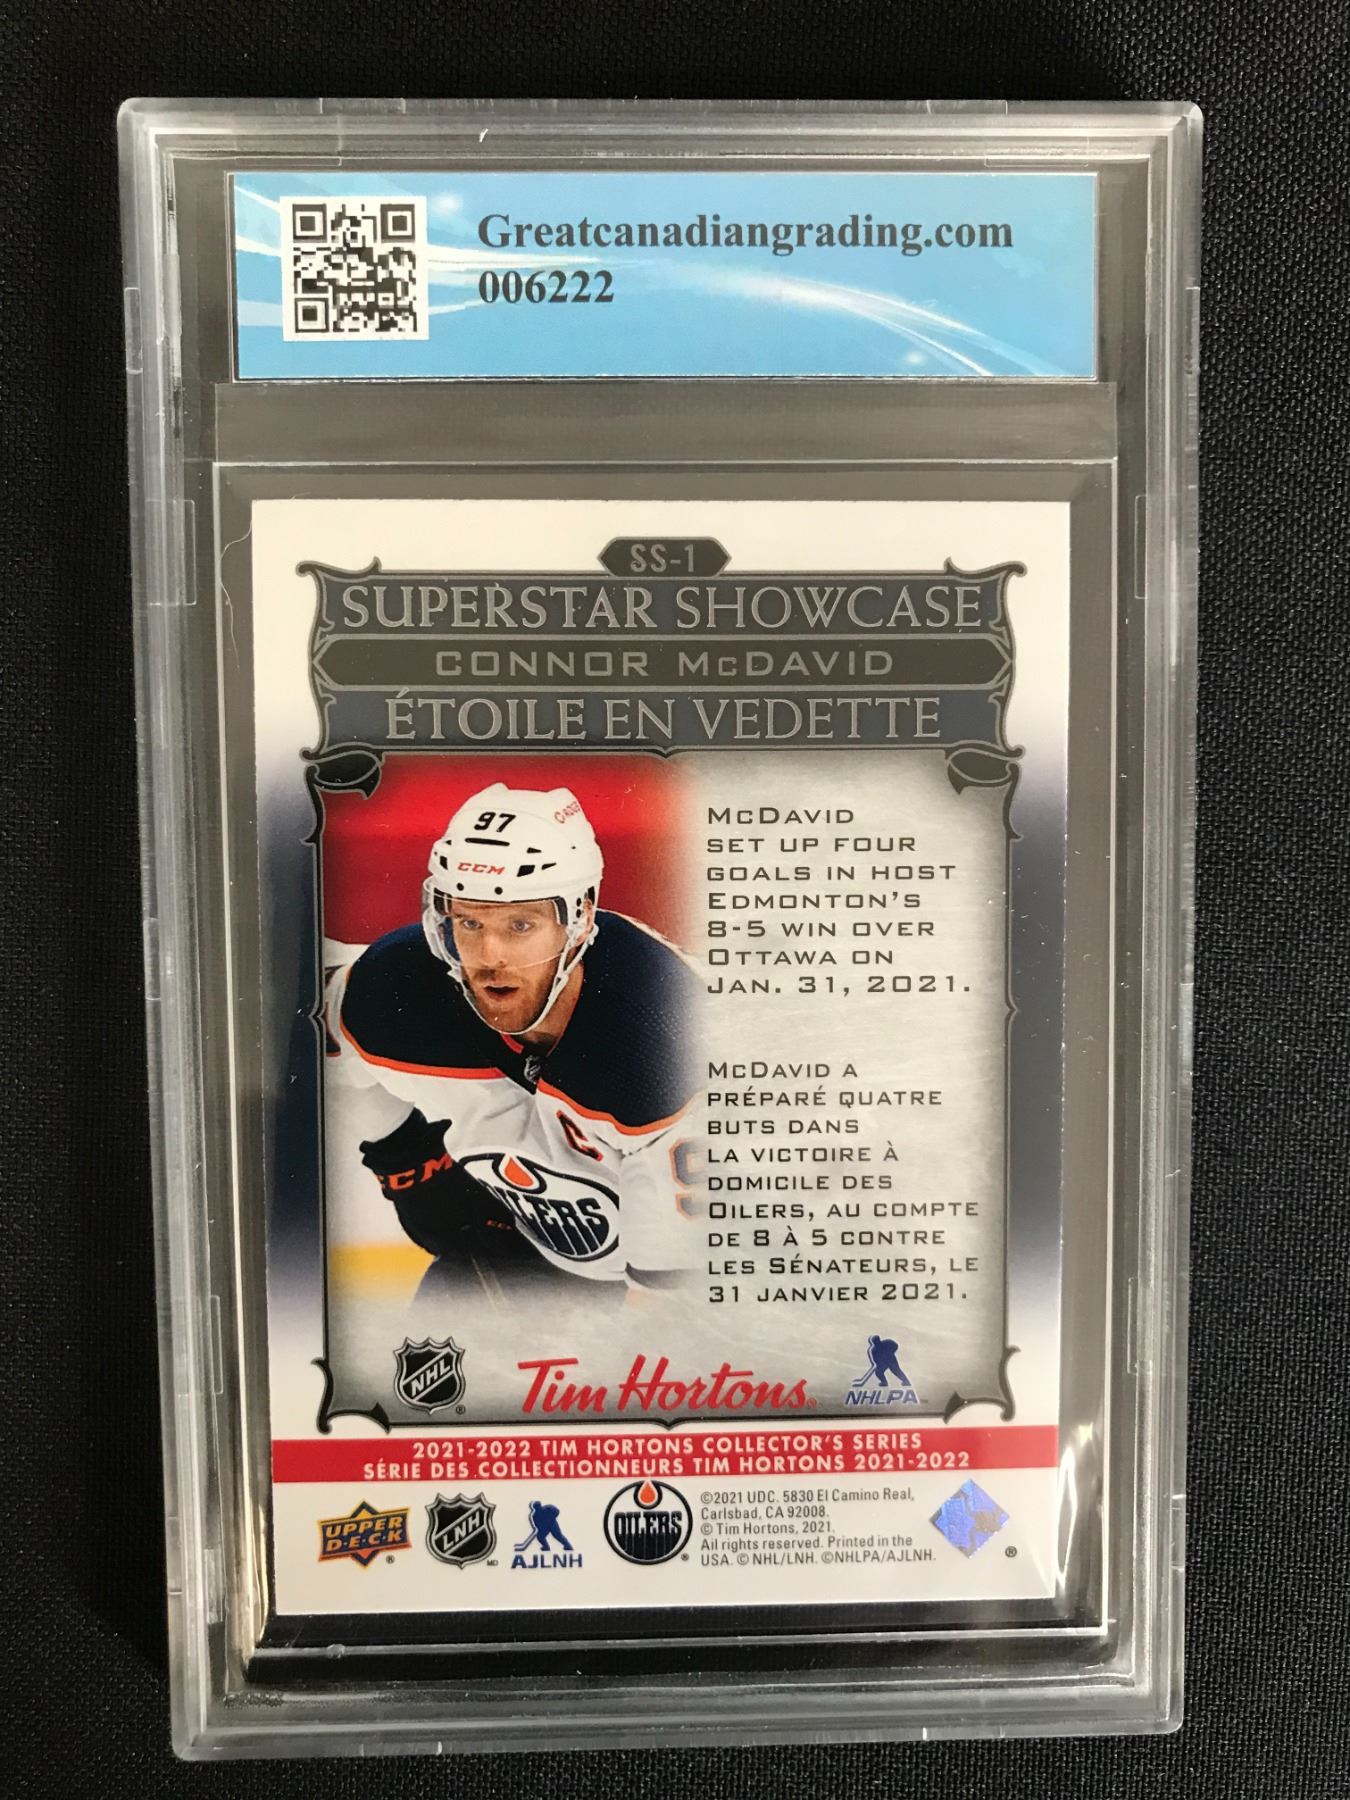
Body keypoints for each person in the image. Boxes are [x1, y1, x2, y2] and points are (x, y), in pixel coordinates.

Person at [327, 782, 700, 1297]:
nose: (490, 956)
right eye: (469, 922)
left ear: (580, 918)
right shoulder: (395, 987)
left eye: (520, 925)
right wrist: (403, 1154)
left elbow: (673, 1313)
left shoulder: (666, 1048)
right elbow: (290, 1022)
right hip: (535, 1256)